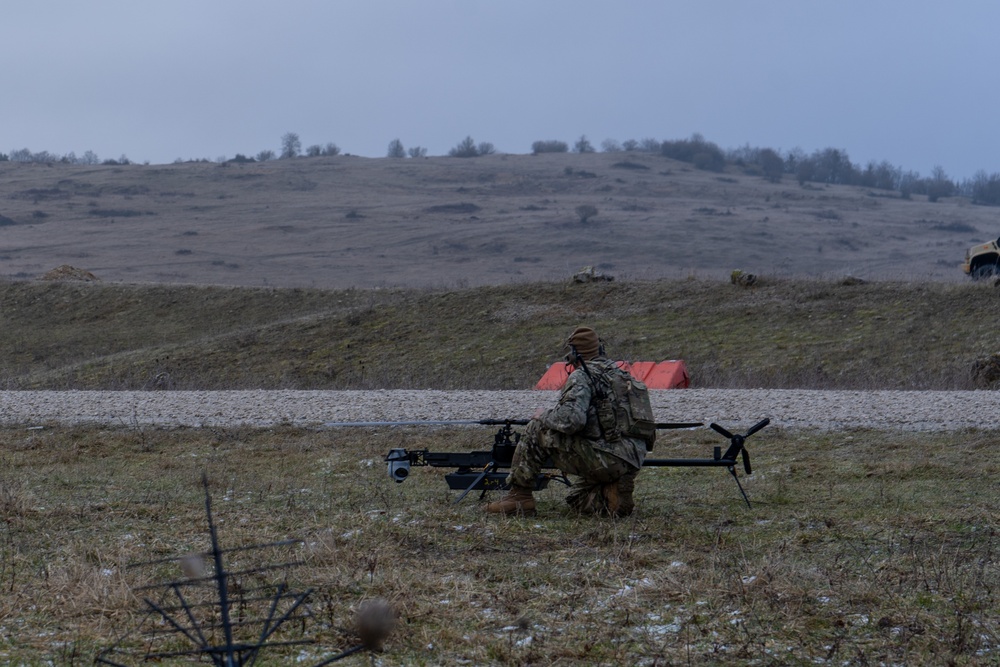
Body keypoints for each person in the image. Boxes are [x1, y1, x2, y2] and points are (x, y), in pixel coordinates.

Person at [485, 326, 649, 517]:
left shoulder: (582, 375)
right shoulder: (623, 375)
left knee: (536, 427)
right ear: (600, 349)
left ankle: (519, 497)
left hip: (605, 459)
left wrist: (542, 415)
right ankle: (611, 493)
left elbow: (572, 421)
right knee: (577, 500)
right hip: (631, 460)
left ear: (573, 354)